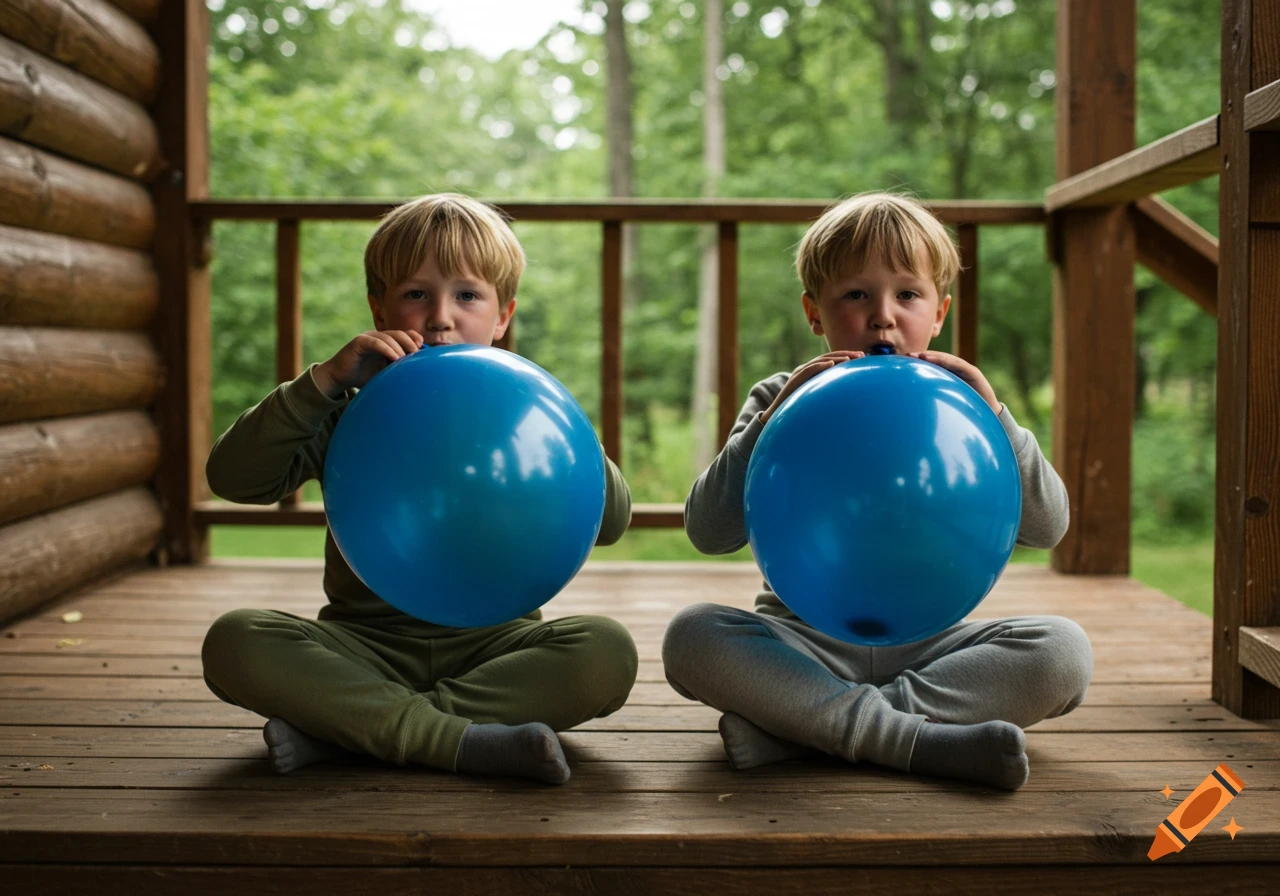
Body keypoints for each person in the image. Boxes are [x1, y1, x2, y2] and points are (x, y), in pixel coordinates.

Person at [202, 193, 637, 785]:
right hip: (361, 647)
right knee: (236, 641)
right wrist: (321, 383)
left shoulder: (529, 417)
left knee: (604, 652)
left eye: (467, 295)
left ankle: (349, 732)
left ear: (502, 316)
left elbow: (610, 522)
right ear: (379, 310)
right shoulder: (344, 412)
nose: (440, 316)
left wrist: (559, 417)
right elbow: (232, 479)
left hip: (498, 648)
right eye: (415, 294)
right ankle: (459, 739)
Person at [662, 192, 1092, 790]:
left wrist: (998, 416)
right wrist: (768, 425)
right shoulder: (779, 398)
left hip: (936, 647)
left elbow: (1048, 527)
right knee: (692, 636)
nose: (883, 316)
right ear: (816, 314)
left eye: (907, 295)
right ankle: (917, 740)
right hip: (803, 643)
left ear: (938, 312)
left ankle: (800, 730)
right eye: (856, 294)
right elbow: (708, 532)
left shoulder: (963, 407)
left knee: (1064, 651)